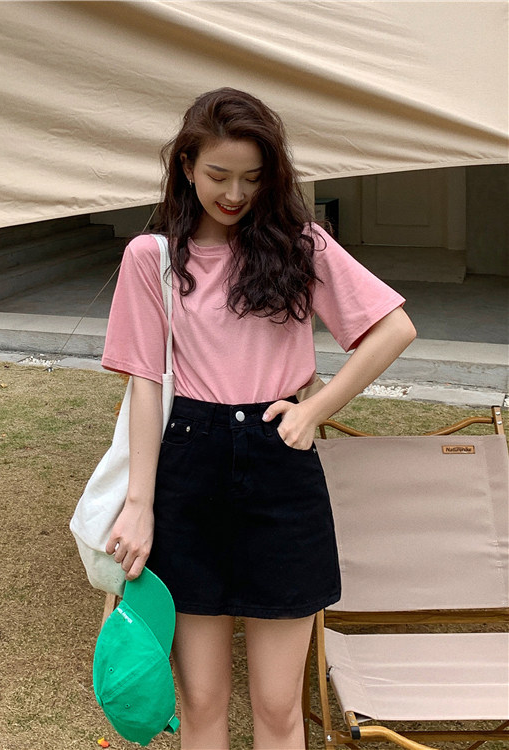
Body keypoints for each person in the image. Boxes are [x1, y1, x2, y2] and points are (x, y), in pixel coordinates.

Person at [100, 88, 416, 750]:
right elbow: (145, 385)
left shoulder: (302, 246)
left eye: (252, 177)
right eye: (219, 174)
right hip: (189, 467)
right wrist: (139, 505)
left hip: (280, 473)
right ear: (187, 165)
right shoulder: (151, 258)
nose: (235, 193)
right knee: (202, 702)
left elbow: (394, 328)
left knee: (277, 707)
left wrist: (316, 409)